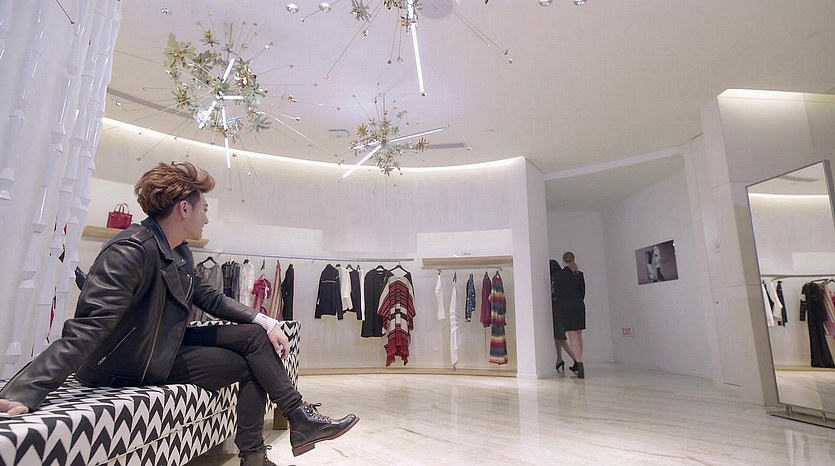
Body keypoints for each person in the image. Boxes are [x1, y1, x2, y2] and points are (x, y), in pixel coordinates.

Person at [0, 162, 358, 466]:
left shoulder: (179, 250)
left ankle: (290, 425)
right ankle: (264, 450)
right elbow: (89, 327)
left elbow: (209, 297)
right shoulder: (129, 251)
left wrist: (266, 321)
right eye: (204, 209)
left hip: (159, 347)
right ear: (184, 209)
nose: (207, 218)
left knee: (254, 339)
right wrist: (28, 390)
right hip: (122, 364)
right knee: (254, 361)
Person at [554, 251, 586, 379]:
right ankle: (578, 363)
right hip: (579, 306)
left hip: (566, 308)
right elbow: (582, 292)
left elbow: (557, 294)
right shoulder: (579, 274)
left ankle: (579, 365)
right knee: (579, 336)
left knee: (573, 337)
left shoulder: (558, 275)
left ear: (563, 261)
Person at [550, 259, 576, 373]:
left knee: (560, 337)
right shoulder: (560, 278)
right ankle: (559, 359)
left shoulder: (554, 280)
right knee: (557, 336)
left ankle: (576, 360)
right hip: (561, 310)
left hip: (556, 311)